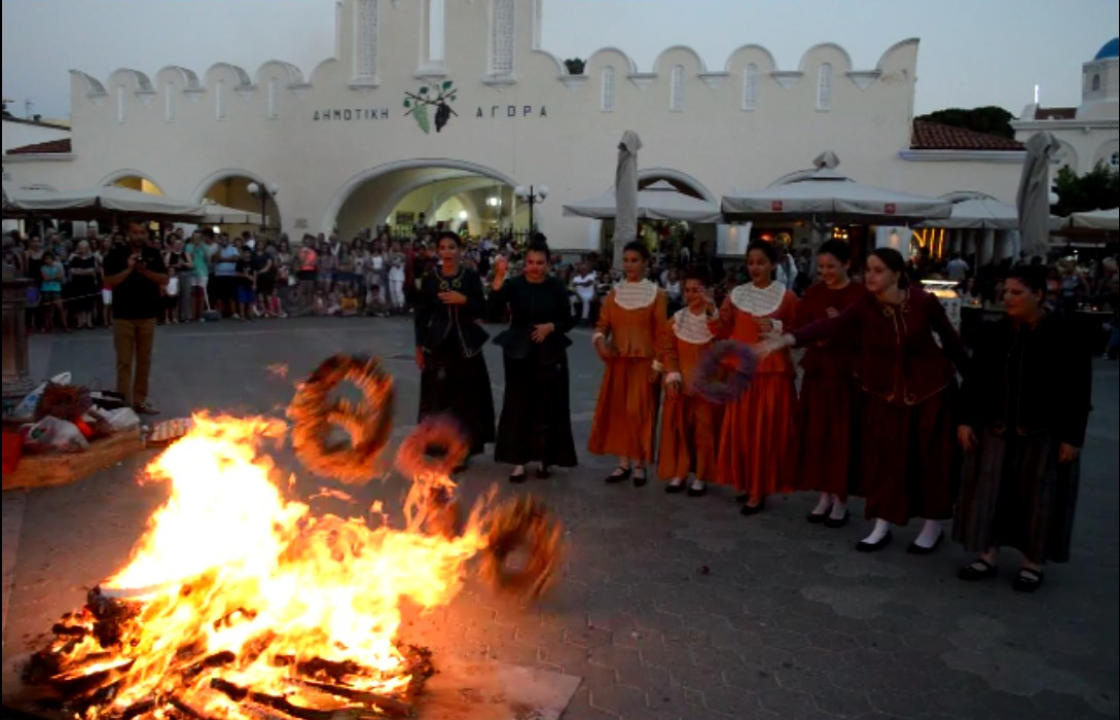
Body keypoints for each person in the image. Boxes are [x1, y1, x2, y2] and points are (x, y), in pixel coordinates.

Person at [760, 247, 967, 553]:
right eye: (868, 269)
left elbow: (951, 343)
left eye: (879, 270)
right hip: (887, 395)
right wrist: (786, 340)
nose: (870, 275)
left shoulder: (923, 303)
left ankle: (932, 525)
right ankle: (882, 523)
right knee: (885, 459)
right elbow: (831, 325)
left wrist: (973, 390)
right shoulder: (865, 306)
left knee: (930, 460)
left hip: (930, 392)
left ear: (896, 274)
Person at [953, 265, 1091, 592]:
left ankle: (1033, 561)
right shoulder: (995, 333)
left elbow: (1078, 388)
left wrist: (1073, 436)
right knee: (991, 492)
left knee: (1038, 498)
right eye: (1006, 293)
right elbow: (974, 380)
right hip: (996, 428)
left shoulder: (1064, 333)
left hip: (1042, 432)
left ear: (1038, 294)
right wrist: (965, 419)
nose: (1008, 299)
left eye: (1017, 293)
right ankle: (987, 554)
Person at [709, 240, 799, 515]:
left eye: (761, 262)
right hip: (743, 373)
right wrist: (710, 308)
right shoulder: (736, 295)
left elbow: (798, 331)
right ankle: (748, 483)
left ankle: (759, 490)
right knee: (742, 432)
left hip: (772, 374)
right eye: (751, 262)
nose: (755, 268)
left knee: (764, 433)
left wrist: (778, 326)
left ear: (773, 264)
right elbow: (722, 329)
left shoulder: (787, 297)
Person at [489, 239, 577, 482]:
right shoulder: (514, 285)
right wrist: (498, 277)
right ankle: (518, 461)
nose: (535, 267)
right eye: (530, 262)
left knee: (548, 405)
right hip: (519, 352)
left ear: (548, 264)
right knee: (518, 405)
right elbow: (492, 309)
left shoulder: (557, 287)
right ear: (524, 264)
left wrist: (552, 326)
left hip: (550, 352)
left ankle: (545, 459)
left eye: (540, 263)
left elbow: (568, 319)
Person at [795, 240, 867, 526]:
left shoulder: (860, 295)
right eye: (822, 266)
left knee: (841, 437)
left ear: (847, 264)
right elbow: (799, 329)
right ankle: (823, 493)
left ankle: (840, 498)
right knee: (817, 434)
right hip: (817, 373)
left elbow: (869, 336)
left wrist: (840, 328)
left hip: (845, 375)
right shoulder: (813, 293)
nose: (825, 272)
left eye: (831, 267)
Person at [588, 241, 668, 487]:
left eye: (635, 260)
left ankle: (639, 464)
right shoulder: (614, 293)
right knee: (620, 412)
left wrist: (657, 366)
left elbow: (662, 334)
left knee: (640, 412)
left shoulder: (657, 294)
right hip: (618, 362)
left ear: (646, 263)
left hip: (644, 363)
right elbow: (602, 326)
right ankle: (622, 463)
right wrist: (601, 341)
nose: (630, 265)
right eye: (627, 260)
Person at [414, 231, 495, 459]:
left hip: (465, 346)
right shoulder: (431, 280)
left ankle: (463, 448)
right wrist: (419, 347)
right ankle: (440, 446)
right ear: (437, 251)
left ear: (459, 251)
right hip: (438, 346)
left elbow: (483, 308)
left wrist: (465, 300)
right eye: (443, 248)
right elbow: (421, 316)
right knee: (438, 397)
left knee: (467, 398)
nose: (447, 252)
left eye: (452, 247)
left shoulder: (469, 277)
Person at [657, 265, 720, 497]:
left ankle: (701, 475)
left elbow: (723, 343)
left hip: (705, 385)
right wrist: (672, 374)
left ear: (707, 291)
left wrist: (713, 310)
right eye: (687, 290)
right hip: (680, 384)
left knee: (704, 430)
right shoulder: (677, 319)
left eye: (696, 290)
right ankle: (680, 471)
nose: (691, 295)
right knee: (680, 429)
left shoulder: (715, 319)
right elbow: (668, 349)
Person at [102, 220, 168, 414]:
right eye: (135, 232)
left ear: (146, 234)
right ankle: (124, 402)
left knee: (144, 360)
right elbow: (108, 281)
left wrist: (143, 270)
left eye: (142, 232)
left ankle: (140, 400)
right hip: (123, 315)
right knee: (124, 361)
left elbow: (164, 279)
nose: (138, 236)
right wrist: (129, 268)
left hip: (147, 314)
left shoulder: (153, 253)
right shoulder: (116, 254)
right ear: (128, 233)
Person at [67, 240, 100, 330]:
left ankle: (89, 322)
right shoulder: (74, 258)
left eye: (85, 247)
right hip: (77, 284)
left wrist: (80, 271)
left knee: (89, 303)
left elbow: (93, 270)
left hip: (89, 284)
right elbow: (72, 271)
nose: (83, 249)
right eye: (81, 247)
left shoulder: (92, 258)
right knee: (79, 302)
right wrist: (86, 271)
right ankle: (80, 322)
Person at [39, 251, 68, 333]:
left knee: (60, 307)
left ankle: (65, 326)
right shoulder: (42, 268)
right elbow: (45, 278)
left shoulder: (57, 267)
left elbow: (60, 277)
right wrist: (55, 277)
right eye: (46, 259)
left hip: (56, 289)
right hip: (46, 289)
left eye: (50, 258)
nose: (48, 260)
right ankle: (48, 326)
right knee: (48, 309)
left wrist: (51, 278)